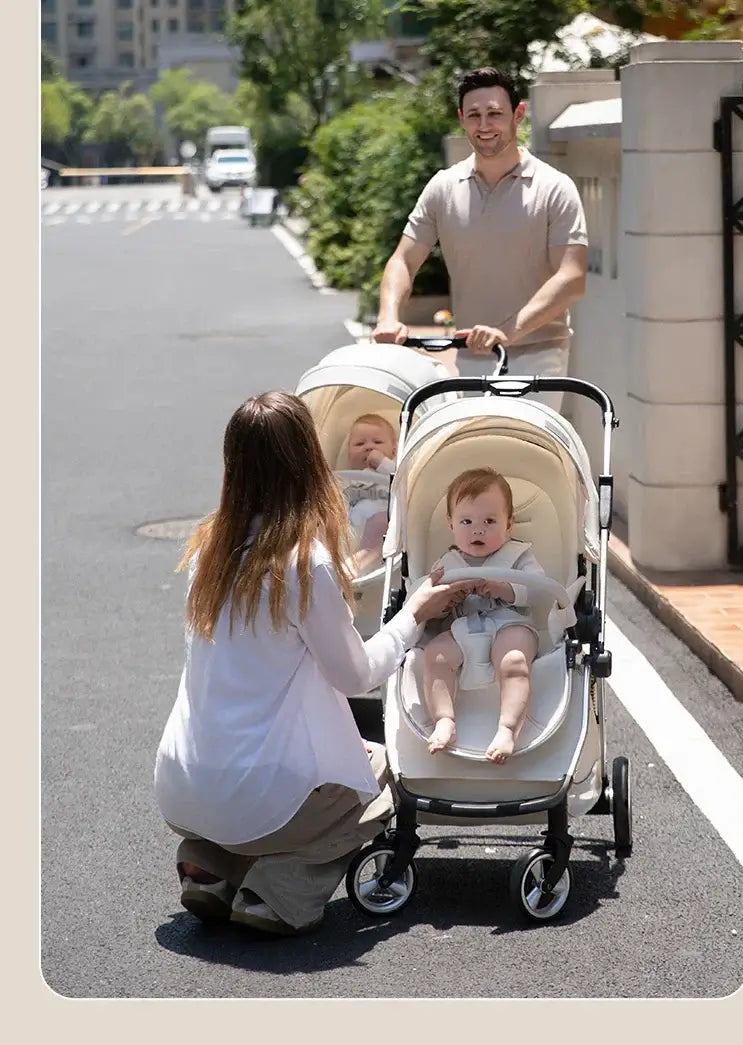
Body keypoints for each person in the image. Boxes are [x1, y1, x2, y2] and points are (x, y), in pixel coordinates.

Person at [153, 391, 469, 935]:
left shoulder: (207, 548)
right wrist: (415, 613)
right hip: (258, 796)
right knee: (381, 776)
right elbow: (356, 675)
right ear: (307, 463)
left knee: (258, 791)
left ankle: (209, 864)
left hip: (182, 784)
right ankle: (275, 896)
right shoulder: (304, 563)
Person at [371, 66, 588, 412]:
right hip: (472, 357)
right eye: (474, 115)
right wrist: (388, 316)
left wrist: (507, 331)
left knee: (525, 460)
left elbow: (572, 278)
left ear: (518, 114)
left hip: (540, 358)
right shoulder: (443, 187)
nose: (484, 125)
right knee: (476, 463)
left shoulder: (554, 187)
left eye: (494, 114)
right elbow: (403, 260)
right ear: (461, 119)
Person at [418, 468, 545, 765]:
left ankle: (507, 728)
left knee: (514, 660)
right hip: (464, 627)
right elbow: (423, 597)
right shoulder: (447, 563)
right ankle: (444, 719)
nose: (478, 530)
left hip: (510, 622)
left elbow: (539, 590)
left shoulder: (519, 555)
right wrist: (444, 596)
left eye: (490, 521)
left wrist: (507, 588)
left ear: (509, 524)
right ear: (451, 525)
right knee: (435, 655)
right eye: (467, 522)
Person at [342, 412, 397, 574]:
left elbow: (403, 482)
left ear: (394, 452)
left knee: (381, 522)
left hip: (380, 525)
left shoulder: (391, 470)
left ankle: (359, 564)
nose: (368, 447)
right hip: (352, 526)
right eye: (359, 444)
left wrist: (383, 464)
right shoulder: (348, 479)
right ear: (349, 453)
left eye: (378, 442)